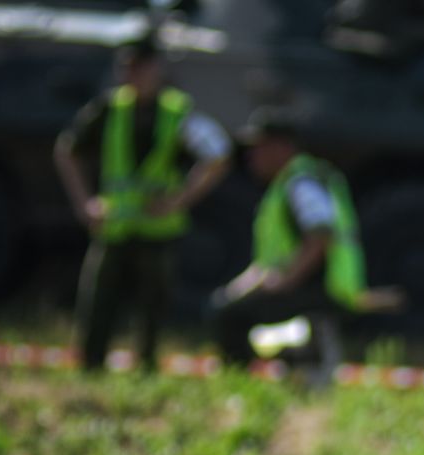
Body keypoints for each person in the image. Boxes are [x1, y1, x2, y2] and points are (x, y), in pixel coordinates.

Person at [53, 35, 231, 372]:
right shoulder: (109, 108)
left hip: (156, 228)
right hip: (114, 224)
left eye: (139, 67)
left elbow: (217, 157)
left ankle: (146, 366)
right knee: (98, 303)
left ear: (156, 69)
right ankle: (91, 367)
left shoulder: (176, 111)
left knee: (154, 306)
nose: (131, 74)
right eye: (126, 67)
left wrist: (179, 200)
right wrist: (84, 203)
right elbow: (68, 150)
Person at [208, 111, 366, 366]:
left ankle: (292, 359)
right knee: (224, 306)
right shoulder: (285, 184)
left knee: (233, 317)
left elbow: (320, 234)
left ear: (282, 147)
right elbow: (269, 259)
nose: (251, 156)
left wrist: (286, 281)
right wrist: (235, 290)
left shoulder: (301, 183)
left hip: (325, 289)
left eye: (259, 148)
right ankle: (294, 357)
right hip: (312, 286)